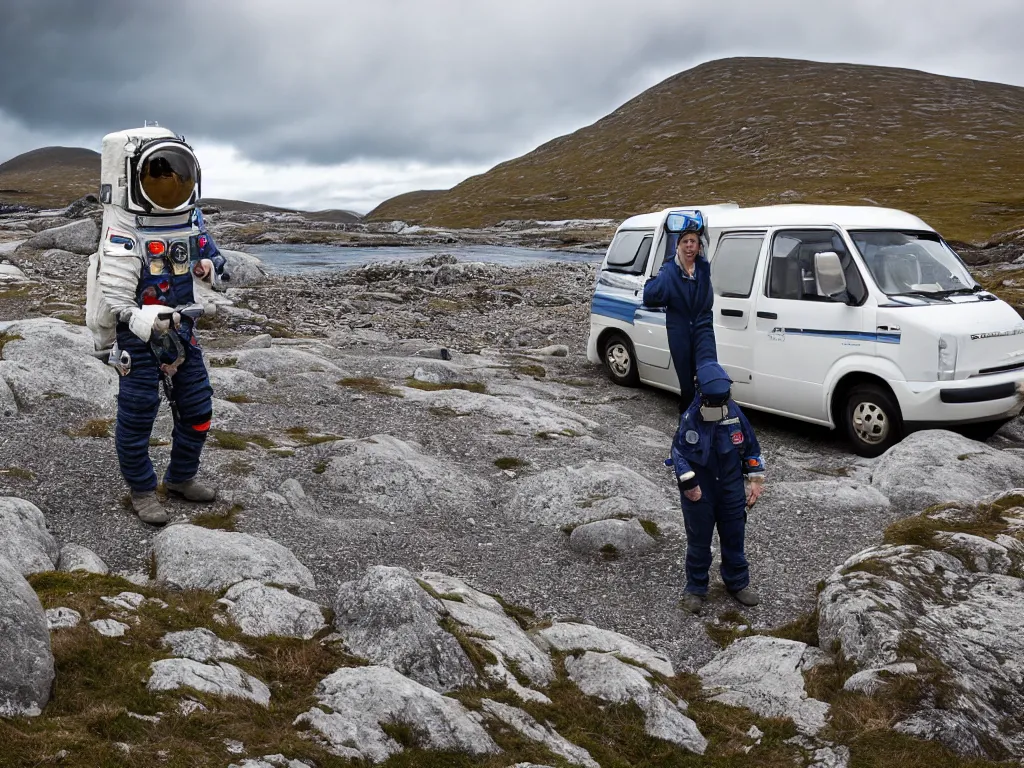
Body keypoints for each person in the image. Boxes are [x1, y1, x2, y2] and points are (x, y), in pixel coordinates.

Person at [86, 125, 226, 525]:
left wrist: (206, 267)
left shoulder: (190, 220)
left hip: (181, 329)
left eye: (176, 176)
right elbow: (114, 294)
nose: (169, 183)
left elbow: (219, 264)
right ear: (134, 175)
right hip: (137, 334)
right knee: (138, 414)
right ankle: (142, 490)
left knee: (198, 408)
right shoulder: (123, 226)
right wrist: (137, 317)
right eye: (159, 176)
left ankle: (181, 477)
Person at [669, 361, 765, 614]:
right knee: (699, 541)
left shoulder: (735, 415)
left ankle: (737, 583)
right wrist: (689, 484)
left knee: (734, 536)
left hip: (731, 485)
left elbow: (752, 448)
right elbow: (678, 454)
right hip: (701, 488)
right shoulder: (690, 419)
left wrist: (756, 480)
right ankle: (695, 588)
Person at [642, 218, 717, 410]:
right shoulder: (669, 270)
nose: (689, 246)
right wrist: (666, 275)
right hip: (679, 332)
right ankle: (688, 425)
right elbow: (649, 297)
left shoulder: (703, 268)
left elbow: (707, 303)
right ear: (678, 245)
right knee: (687, 384)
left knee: (708, 375)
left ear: (699, 246)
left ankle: (706, 423)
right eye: (685, 242)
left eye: (693, 241)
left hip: (703, 329)